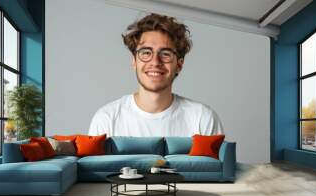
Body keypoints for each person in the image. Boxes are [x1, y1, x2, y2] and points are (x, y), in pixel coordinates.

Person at [88, 13, 223, 137]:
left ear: (179, 65)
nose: (155, 62)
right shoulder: (106, 119)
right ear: (134, 61)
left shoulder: (203, 119)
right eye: (146, 52)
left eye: (165, 54)